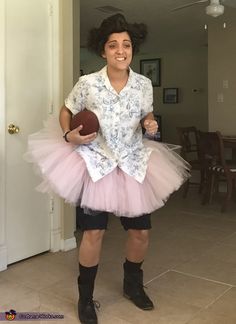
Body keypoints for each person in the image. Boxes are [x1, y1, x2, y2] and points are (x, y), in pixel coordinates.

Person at [26, 13, 189, 324]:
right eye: (113, 45)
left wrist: (149, 121)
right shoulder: (88, 83)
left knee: (140, 232)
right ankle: (85, 299)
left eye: (126, 44)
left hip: (132, 162)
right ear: (103, 51)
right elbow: (66, 109)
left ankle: (133, 285)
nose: (120, 50)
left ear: (132, 50)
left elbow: (147, 113)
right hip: (94, 163)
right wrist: (67, 134)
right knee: (94, 232)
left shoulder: (142, 84)